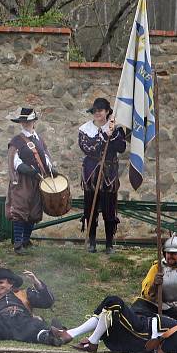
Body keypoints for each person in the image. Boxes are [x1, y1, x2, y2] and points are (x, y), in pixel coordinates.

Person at [52, 295, 177, 353]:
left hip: (143, 332)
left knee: (114, 302)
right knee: (110, 310)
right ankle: (74, 335)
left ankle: (88, 341)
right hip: (144, 327)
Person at [0, 268, 63, 346]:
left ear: (11, 283)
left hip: (22, 322)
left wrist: (37, 282)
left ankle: (51, 337)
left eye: (1, 282)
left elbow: (47, 302)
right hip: (2, 325)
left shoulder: (25, 293)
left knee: (36, 322)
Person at [78, 97, 127, 253]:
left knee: (108, 209)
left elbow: (121, 147)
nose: (97, 113)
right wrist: (103, 137)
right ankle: (92, 242)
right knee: (90, 207)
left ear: (107, 112)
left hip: (109, 172)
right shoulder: (85, 129)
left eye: (100, 110)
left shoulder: (116, 129)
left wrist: (110, 135)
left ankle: (109, 244)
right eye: (95, 111)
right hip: (90, 172)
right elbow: (87, 148)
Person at [6, 107, 55, 254]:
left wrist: (51, 169)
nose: (25, 124)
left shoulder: (39, 140)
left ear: (34, 121)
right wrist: (26, 170)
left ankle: (26, 240)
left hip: (37, 180)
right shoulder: (16, 141)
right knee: (20, 210)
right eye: (23, 121)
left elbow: (46, 157)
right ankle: (18, 244)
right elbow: (14, 160)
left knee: (34, 211)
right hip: (22, 180)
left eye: (28, 121)